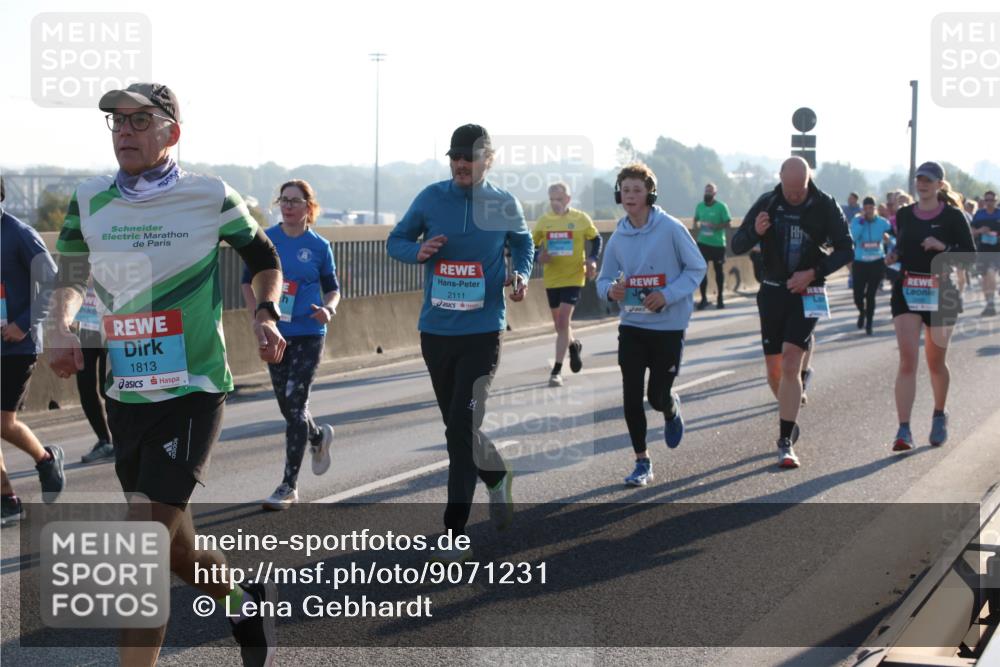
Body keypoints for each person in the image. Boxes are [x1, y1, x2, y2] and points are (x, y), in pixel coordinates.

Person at [47, 83, 285, 666]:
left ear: (171, 132)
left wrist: (264, 311)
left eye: (139, 121)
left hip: (193, 390)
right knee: (176, 549)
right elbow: (72, 276)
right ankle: (241, 600)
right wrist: (60, 323)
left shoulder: (209, 196)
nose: (124, 132)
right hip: (126, 394)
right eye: (116, 123)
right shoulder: (89, 198)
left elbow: (263, 259)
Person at [387, 124, 532, 562]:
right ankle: (497, 474)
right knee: (457, 427)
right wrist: (419, 252)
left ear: (489, 159)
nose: (461, 165)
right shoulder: (431, 198)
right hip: (436, 332)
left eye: (469, 157)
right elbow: (396, 240)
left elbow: (523, 244)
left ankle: (454, 530)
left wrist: (521, 275)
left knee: (461, 428)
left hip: (483, 332)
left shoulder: (504, 204)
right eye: (455, 157)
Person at [731, 157, 853, 468]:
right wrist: (755, 232)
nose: (795, 195)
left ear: (809, 182)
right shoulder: (768, 202)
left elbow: (845, 248)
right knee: (774, 369)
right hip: (772, 291)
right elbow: (737, 243)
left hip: (807, 291)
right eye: (790, 189)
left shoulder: (825, 205)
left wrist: (813, 272)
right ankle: (790, 411)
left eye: (801, 189)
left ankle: (784, 441)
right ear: (781, 180)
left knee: (789, 360)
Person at [596, 163, 706, 486]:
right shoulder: (618, 236)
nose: (630, 196)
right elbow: (603, 280)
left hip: (668, 327)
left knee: (656, 396)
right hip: (632, 326)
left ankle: (670, 409)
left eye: (636, 190)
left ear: (649, 195)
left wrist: (667, 294)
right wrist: (609, 290)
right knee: (631, 396)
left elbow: (696, 267)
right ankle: (642, 462)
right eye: (625, 190)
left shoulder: (671, 228)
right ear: (619, 194)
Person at [241, 179, 339, 510]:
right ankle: (316, 437)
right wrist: (258, 320)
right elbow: (247, 283)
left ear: (308, 207)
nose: (288, 205)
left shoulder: (319, 246)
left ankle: (288, 485)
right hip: (275, 332)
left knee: (295, 405)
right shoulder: (267, 240)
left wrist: (328, 309)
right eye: (283, 200)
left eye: (295, 201)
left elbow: (333, 288)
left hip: (309, 333)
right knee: (288, 407)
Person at [885, 162, 975, 451]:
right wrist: (894, 254)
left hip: (940, 290)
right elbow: (903, 245)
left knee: (935, 362)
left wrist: (943, 247)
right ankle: (903, 430)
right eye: (919, 179)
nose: (922, 184)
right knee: (908, 360)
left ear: (939, 185)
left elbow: (970, 258)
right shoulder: (903, 214)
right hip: (908, 289)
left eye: (928, 180)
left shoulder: (953, 217)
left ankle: (939, 413)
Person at [1, 176, 65, 525]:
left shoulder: (19, 233)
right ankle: (7, 498)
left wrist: (24, 323)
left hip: (16, 345)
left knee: (2, 422)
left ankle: (45, 459)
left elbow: (52, 279)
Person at [531, 182, 601, 386]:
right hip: (552, 278)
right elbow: (532, 246)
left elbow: (596, 239)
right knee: (559, 326)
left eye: (559, 199)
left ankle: (556, 371)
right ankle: (573, 346)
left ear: (568, 200)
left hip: (573, 276)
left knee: (562, 322)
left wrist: (593, 259)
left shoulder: (580, 218)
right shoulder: (544, 221)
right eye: (551, 199)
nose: (555, 204)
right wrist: (538, 256)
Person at [75, 279, 115, 462]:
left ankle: (120, 440)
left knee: (107, 389)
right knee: (85, 387)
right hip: (87, 326)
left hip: (110, 326)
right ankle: (104, 440)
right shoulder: (79, 256)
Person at [850, 196, 893, 335]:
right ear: (863, 209)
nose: (869, 211)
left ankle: (869, 324)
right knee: (857, 295)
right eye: (866, 208)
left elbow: (894, 237)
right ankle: (862, 312)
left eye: (871, 208)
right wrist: (862, 221)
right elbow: (854, 237)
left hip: (877, 262)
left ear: (875, 209)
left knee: (870, 295)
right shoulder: (857, 221)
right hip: (860, 263)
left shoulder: (882, 222)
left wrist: (888, 238)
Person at [693, 182, 732, 310]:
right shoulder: (699, 206)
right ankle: (704, 299)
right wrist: (696, 227)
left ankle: (720, 298)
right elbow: (696, 219)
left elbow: (728, 223)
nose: (707, 193)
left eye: (710, 192)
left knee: (718, 272)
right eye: (706, 191)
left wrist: (715, 227)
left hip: (718, 244)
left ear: (714, 193)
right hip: (703, 243)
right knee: (702, 270)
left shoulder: (721, 207)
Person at [972, 190, 999, 316]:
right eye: (986, 200)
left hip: (996, 251)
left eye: (991, 200)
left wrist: (996, 235)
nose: (989, 203)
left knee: (991, 273)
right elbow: (971, 232)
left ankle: (991, 302)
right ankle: (988, 303)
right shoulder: (979, 214)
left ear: (995, 201)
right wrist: (980, 230)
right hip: (982, 250)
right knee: (984, 279)